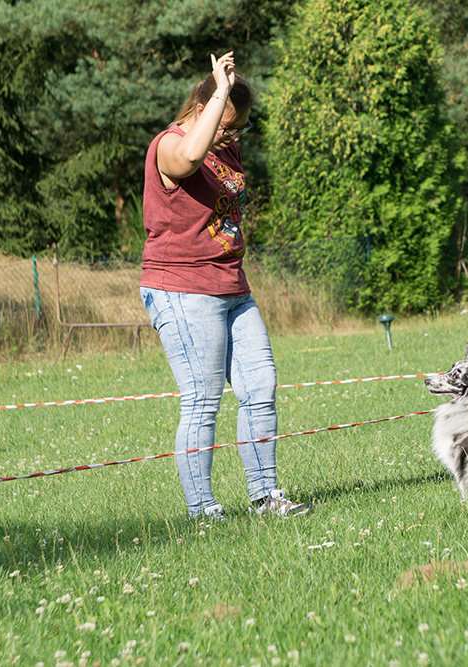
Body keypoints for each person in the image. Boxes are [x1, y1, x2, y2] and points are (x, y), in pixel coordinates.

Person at [139, 51, 310, 521]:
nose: (231, 138)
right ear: (200, 110)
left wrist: (226, 117)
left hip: (231, 284)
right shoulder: (170, 146)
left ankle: (265, 496)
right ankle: (203, 510)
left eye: (239, 130)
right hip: (182, 286)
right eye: (225, 126)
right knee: (202, 399)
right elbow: (192, 155)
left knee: (261, 386)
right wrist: (219, 93)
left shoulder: (225, 147)